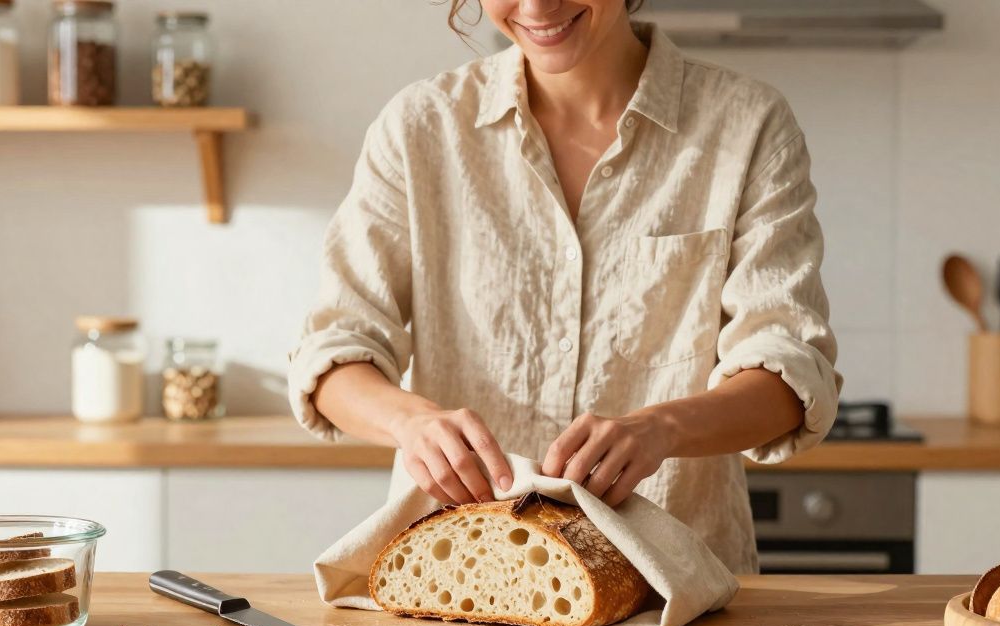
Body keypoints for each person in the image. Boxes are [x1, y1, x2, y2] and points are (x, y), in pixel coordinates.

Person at [287, 0, 841, 573]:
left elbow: (789, 371)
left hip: (675, 584)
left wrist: (661, 428)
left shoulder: (747, 124)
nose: (536, 6)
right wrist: (409, 421)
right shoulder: (421, 126)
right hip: (459, 578)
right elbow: (333, 353)